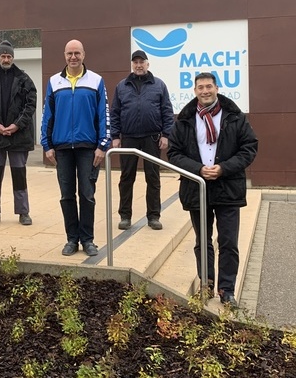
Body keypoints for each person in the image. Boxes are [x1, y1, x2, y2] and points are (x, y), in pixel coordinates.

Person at [167, 72, 258, 307]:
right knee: (203, 241)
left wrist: (224, 168)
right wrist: (198, 169)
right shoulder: (185, 119)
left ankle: (227, 290)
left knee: (228, 242)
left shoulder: (235, 117)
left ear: (216, 88)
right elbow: (174, 153)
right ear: (195, 91)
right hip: (198, 187)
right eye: (200, 87)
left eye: (209, 86)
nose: (205, 91)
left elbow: (249, 147)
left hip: (228, 187)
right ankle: (206, 285)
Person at [40, 39, 110, 257]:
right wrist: (47, 144)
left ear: (84, 54)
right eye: (69, 53)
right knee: (66, 195)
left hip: (88, 148)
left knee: (87, 195)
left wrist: (102, 146)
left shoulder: (96, 81)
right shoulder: (54, 82)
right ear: (64, 55)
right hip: (61, 148)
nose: (73, 57)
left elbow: (103, 116)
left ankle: (88, 240)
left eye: (77, 53)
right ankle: (72, 239)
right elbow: (46, 116)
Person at [110, 50, 174, 231]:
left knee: (153, 178)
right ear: (132, 64)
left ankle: (154, 216)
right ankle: (125, 216)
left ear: (148, 64)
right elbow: (115, 113)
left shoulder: (159, 85)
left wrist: (166, 135)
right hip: (129, 139)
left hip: (152, 138)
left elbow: (167, 111)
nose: (138, 65)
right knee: (126, 178)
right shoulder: (122, 86)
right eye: (135, 62)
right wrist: (115, 136)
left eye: (142, 62)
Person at [0, 40, 37, 226]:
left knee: (19, 175)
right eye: (3, 56)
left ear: (13, 57)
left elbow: (30, 105)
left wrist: (17, 125)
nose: (6, 59)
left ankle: (23, 212)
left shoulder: (25, 79)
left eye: (9, 56)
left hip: (18, 137)